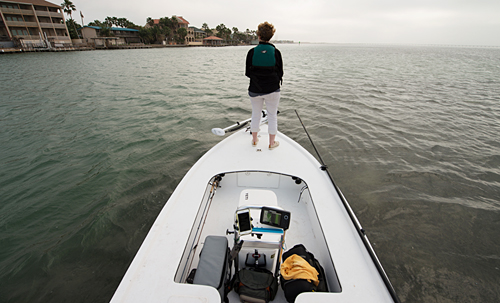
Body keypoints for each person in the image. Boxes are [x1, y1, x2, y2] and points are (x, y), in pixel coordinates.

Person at [245, 22, 283, 150]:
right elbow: (280, 72)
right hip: (273, 90)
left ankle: (255, 140)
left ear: (258, 35)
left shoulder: (251, 52)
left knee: (256, 114)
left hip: (255, 90)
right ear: (271, 36)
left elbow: (247, 73)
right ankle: (272, 143)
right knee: (272, 116)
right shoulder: (276, 52)